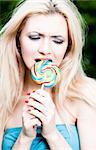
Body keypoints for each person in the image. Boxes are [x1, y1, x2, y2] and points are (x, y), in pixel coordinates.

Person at [0, 0, 96, 149]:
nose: (45, 49)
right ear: (18, 40)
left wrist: (52, 134)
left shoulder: (86, 95)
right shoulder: (3, 100)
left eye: (57, 41)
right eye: (35, 37)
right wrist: (25, 138)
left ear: (68, 46)